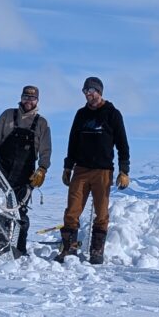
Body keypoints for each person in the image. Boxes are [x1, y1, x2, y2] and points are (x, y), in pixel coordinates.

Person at [56, 77, 130, 264]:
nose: (88, 95)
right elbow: (72, 142)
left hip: (103, 171)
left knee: (102, 212)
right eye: (85, 92)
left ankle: (97, 251)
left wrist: (124, 170)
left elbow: (122, 144)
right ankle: (68, 249)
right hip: (80, 169)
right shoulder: (81, 114)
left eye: (91, 91)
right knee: (72, 211)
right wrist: (67, 167)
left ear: (99, 91)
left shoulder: (112, 114)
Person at [0, 85, 51, 255]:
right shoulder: (8, 115)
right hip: (1, 171)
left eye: (32, 98)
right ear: (21, 98)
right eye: (25, 97)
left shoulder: (41, 123)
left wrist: (42, 169)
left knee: (19, 212)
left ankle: (18, 249)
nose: (28, 101)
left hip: (25, 174)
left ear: (37, 100)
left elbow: (45, 150)